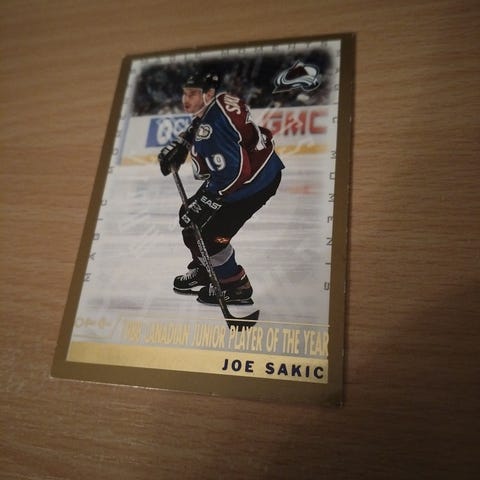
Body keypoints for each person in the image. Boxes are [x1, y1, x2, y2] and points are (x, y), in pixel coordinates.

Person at [158, 71, 284, 306]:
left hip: (254, 182)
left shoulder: (212, 130)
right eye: (185, 93)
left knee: (210, 235)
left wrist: (207, 201)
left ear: (208, 94)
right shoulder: (220, 101)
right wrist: (184, 143)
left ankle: (235, 285)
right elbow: (205, 122)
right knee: (189, 217)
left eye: (193, 94)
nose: (186, 99)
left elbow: (236, 173)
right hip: (258, 168)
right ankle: (208, 269)